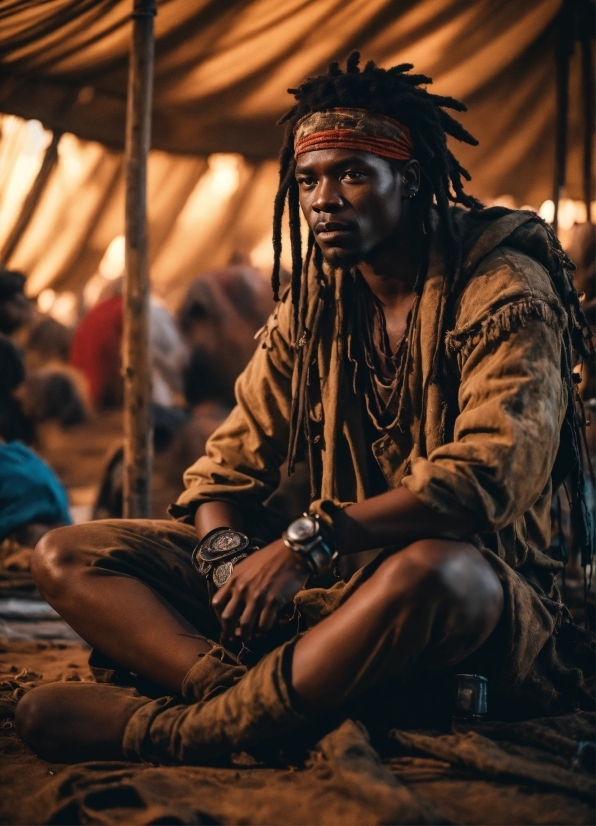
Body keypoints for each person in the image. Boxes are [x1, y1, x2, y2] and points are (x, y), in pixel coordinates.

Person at [17, 54, 593, 765]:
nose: (324, 199)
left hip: (468, 602)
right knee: (66, 554)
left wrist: (305, 541)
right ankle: (250, 696)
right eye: (309, 179)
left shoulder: (504, 288)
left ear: (409, 180)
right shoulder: (320, 300)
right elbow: (224, 468)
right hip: (328, 588)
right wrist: (228, 558)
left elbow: (485, 480)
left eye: (353, 173)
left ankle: (187, 730)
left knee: (439, 572)